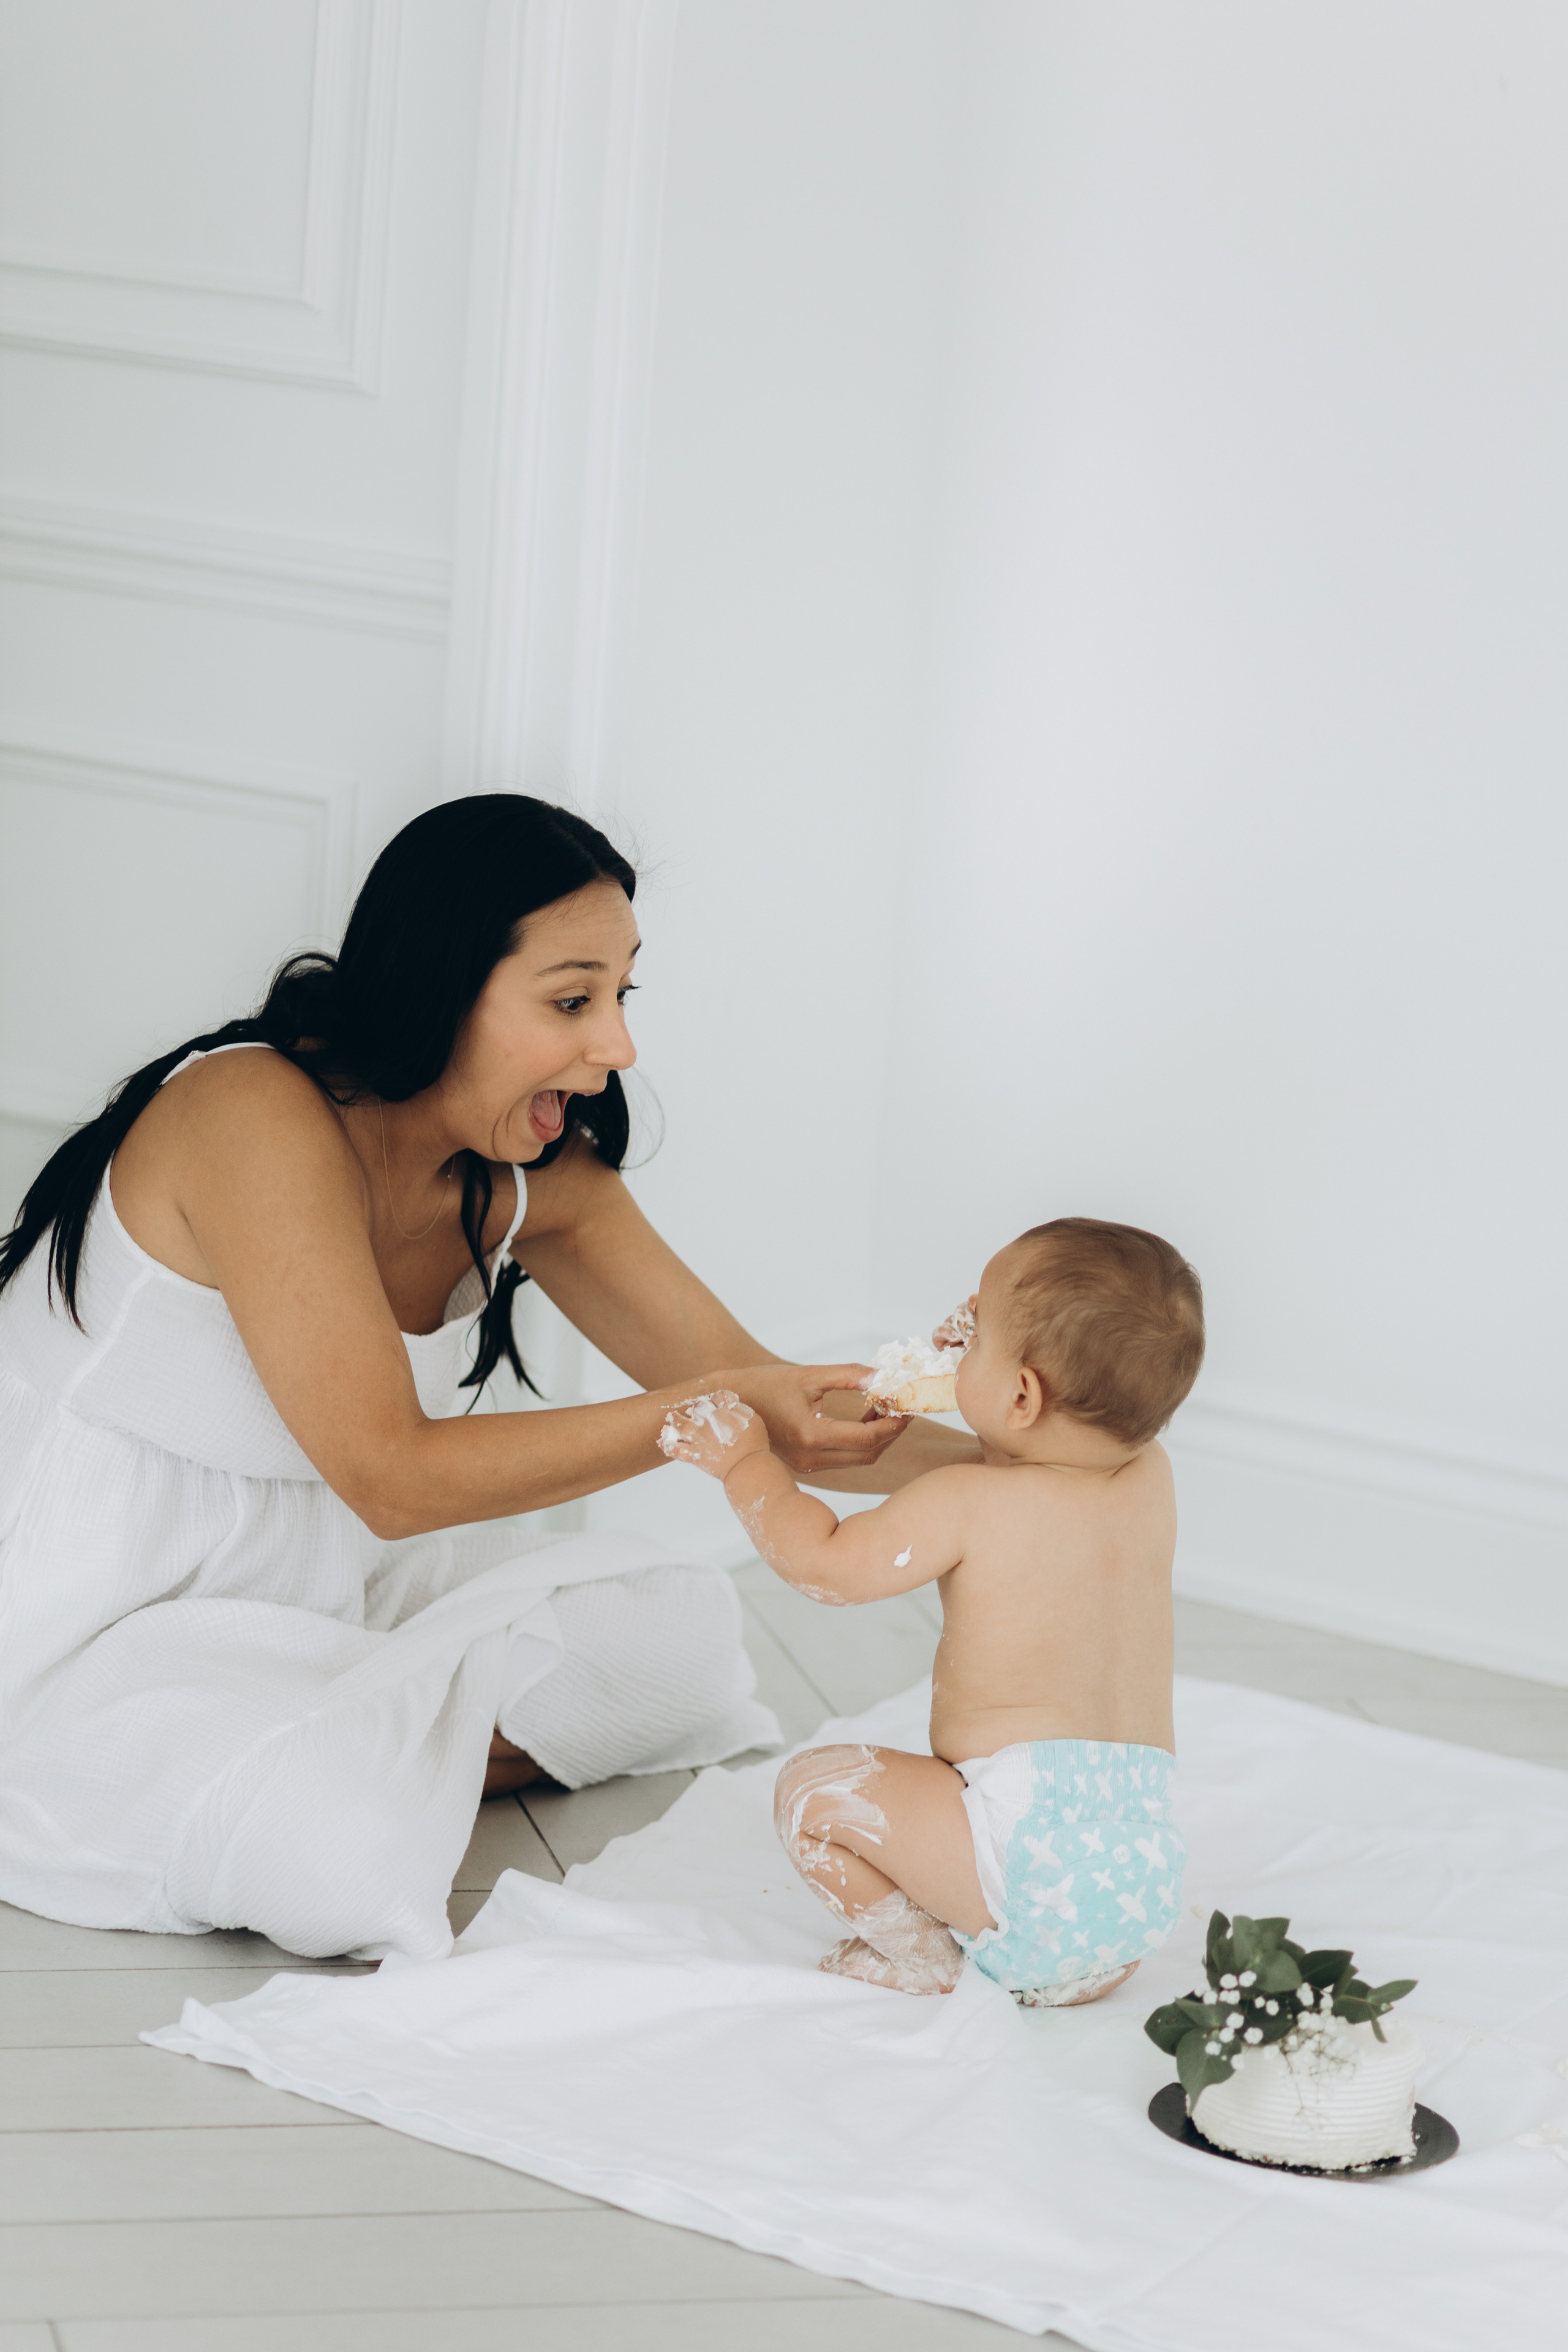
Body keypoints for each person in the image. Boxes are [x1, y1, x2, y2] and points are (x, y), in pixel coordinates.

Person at [0, 794, 970, 1961]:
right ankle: (347, 1755)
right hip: (89, 1615)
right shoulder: (249, 1110)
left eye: (622, 996)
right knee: (345, 1854)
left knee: (686, 1640)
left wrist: (1042, 1456)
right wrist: (703, 1416)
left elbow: (787, 1408)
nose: (617, 1048)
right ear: (440, 986)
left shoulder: (532, 1176)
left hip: (327, 1581)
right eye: (571, 1001)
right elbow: (391, 1478)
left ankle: (364, 1738)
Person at [658, 1216, 1205, 2001]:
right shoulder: (1150, 1474)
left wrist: (746, 1462)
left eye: (978, 1334)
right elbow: (1035, 1450)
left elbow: (824, 1566)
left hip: (1019, 1860)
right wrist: (982, 1365)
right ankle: (1077, 1971)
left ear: (1021, 1396)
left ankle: (921, 1956)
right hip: (1132, 1896)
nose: (960, 1333)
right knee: (1055, 1902)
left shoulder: (967, 1499)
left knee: (813, 1791)